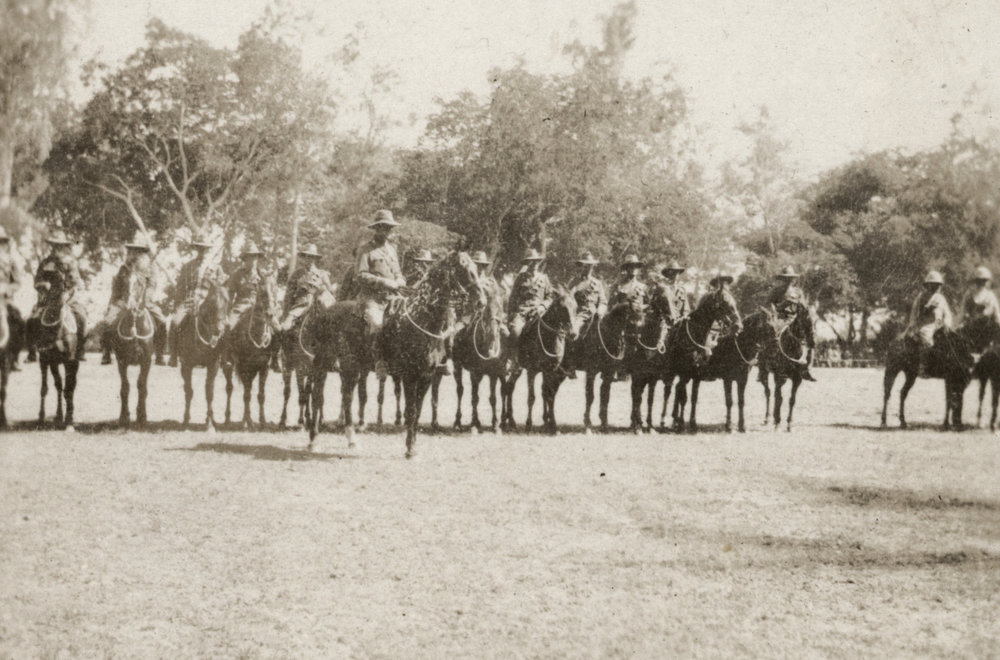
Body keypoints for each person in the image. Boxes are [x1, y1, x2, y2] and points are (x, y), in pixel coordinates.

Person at [354, 210, 406, 378]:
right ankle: (378, 361)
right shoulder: (366, 250)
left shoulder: (392, 250)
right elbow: (360, 275)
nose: (386, 231)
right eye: (382, 228)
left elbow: (398, 272)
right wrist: (384, 282)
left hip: (393, 297)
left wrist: (400, 280)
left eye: (389, 228)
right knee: (376, 324)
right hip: (372, 299)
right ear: (376, 229)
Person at [100, 235, 167, 365]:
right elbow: (117, 288)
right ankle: (106, 353)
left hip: (144, 302)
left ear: (143, 252)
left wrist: (143, 299)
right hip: (123, 302)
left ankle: (159, 355)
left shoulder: (151, 267)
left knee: (162, 321)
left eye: (138, 250)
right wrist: (115, 303)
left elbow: (152, 286)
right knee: (107, 322)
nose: (135, 253)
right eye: (132, 250)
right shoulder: (124, 268)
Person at [31, 229, 87, 361]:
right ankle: (32, 352)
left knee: (82, 317)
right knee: (32, 319)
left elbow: (76, 281)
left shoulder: (71, 262)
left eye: (59, 246)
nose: (56, 249)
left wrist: (68, 292)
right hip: (48, 299)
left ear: (64, 246)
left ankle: (80, 351)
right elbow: (37, 281)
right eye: (54, 245)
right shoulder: (45, 263)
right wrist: (43, 285)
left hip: (68, 299)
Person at [766, 265, 816, 381]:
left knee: (810, 335)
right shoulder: (776, 291)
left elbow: (803, 306)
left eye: (790, 278)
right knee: (770, 335)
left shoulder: (798, 292)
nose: (788, 281)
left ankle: (807, 367)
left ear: (793, 279)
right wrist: (775, 308)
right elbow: (769, 303)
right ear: (782, 279)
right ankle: (765, 364)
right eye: (785, 278)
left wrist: (804, 310)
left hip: (794, 319)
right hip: (779, 319)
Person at [905, 270, 953, 377]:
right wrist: (913, 325)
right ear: (928, 285)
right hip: (924, 326)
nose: (935, 287)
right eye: (933, 284)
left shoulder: (941, 298)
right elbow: (914, 313)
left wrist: (947, 323)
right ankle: (923, 368)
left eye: (937, 285)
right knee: (928, 342)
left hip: (938, 326)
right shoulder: (921, 297)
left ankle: (945, 368)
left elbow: (948, 313)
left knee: (951, 342)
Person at [279, 243, 335, 332]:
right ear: (304, 258)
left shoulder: (322, 274)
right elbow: (288, 296)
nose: (309, 259)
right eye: (307, 256)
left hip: (320, 305)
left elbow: (331, 292)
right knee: (286, 326)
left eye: (312, 257)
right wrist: (286, 313)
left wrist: (322, 289)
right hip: (301, 304)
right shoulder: (297, 274)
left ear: (315, 259)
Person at [224, 241, 276, 332]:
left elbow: (269, 295)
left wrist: (270, 308)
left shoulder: (263, 275)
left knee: (278, 329)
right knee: (227, 327)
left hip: (260, 308)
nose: (253, 260)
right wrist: (226, 312)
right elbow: (229, 295)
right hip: (240, 307)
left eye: (255, 257)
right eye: (250, 257)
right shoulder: (237, 275)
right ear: (245, 259)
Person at [507, 248, 552, 341]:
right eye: (531, 261)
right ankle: (511, 354)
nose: (534, 263)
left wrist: (543, 306)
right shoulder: (521, 277)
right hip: (522, 314)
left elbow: (550, 297)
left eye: (536, 261)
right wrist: (511, 315)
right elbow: (512, 298)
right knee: (515, 332)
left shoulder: (544, 278)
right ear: (527, 263)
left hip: (539, 313)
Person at [568, 251, 607, 327]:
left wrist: (600, 311)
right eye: (585, 265)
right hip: (578, 315)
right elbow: (568, 301)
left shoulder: (597, 283)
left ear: (592, 266)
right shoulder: (574, 282)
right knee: (574, 330)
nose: (588, 268)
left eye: (590, 265)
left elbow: (603, 301)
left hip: (594, 316)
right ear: (581, 266)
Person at [957, 266, 1000, 332]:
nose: (982, 283)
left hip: (987, 328)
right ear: (976, 281)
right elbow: (963, 311)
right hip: (972, 327)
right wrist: (959, 324)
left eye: (984, 280)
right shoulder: (969, 294)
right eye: (980, 280)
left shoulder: (990, 295)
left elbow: (997, 313)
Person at [0, 227, 21, 353]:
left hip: (5, 299)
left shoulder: (11, 262)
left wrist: (7, 289)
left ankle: (15, 358)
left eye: (1, 242)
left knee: (18, 321)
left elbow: (17, 282)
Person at [660, 259, 690, 325]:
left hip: (679, 323)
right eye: (672, 272)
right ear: (667, 274)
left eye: (677, 272)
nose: (675, 274)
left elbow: (686, 309)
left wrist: (684, 317)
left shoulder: (682, 290)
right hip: (665, 323)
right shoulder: (662, 288)